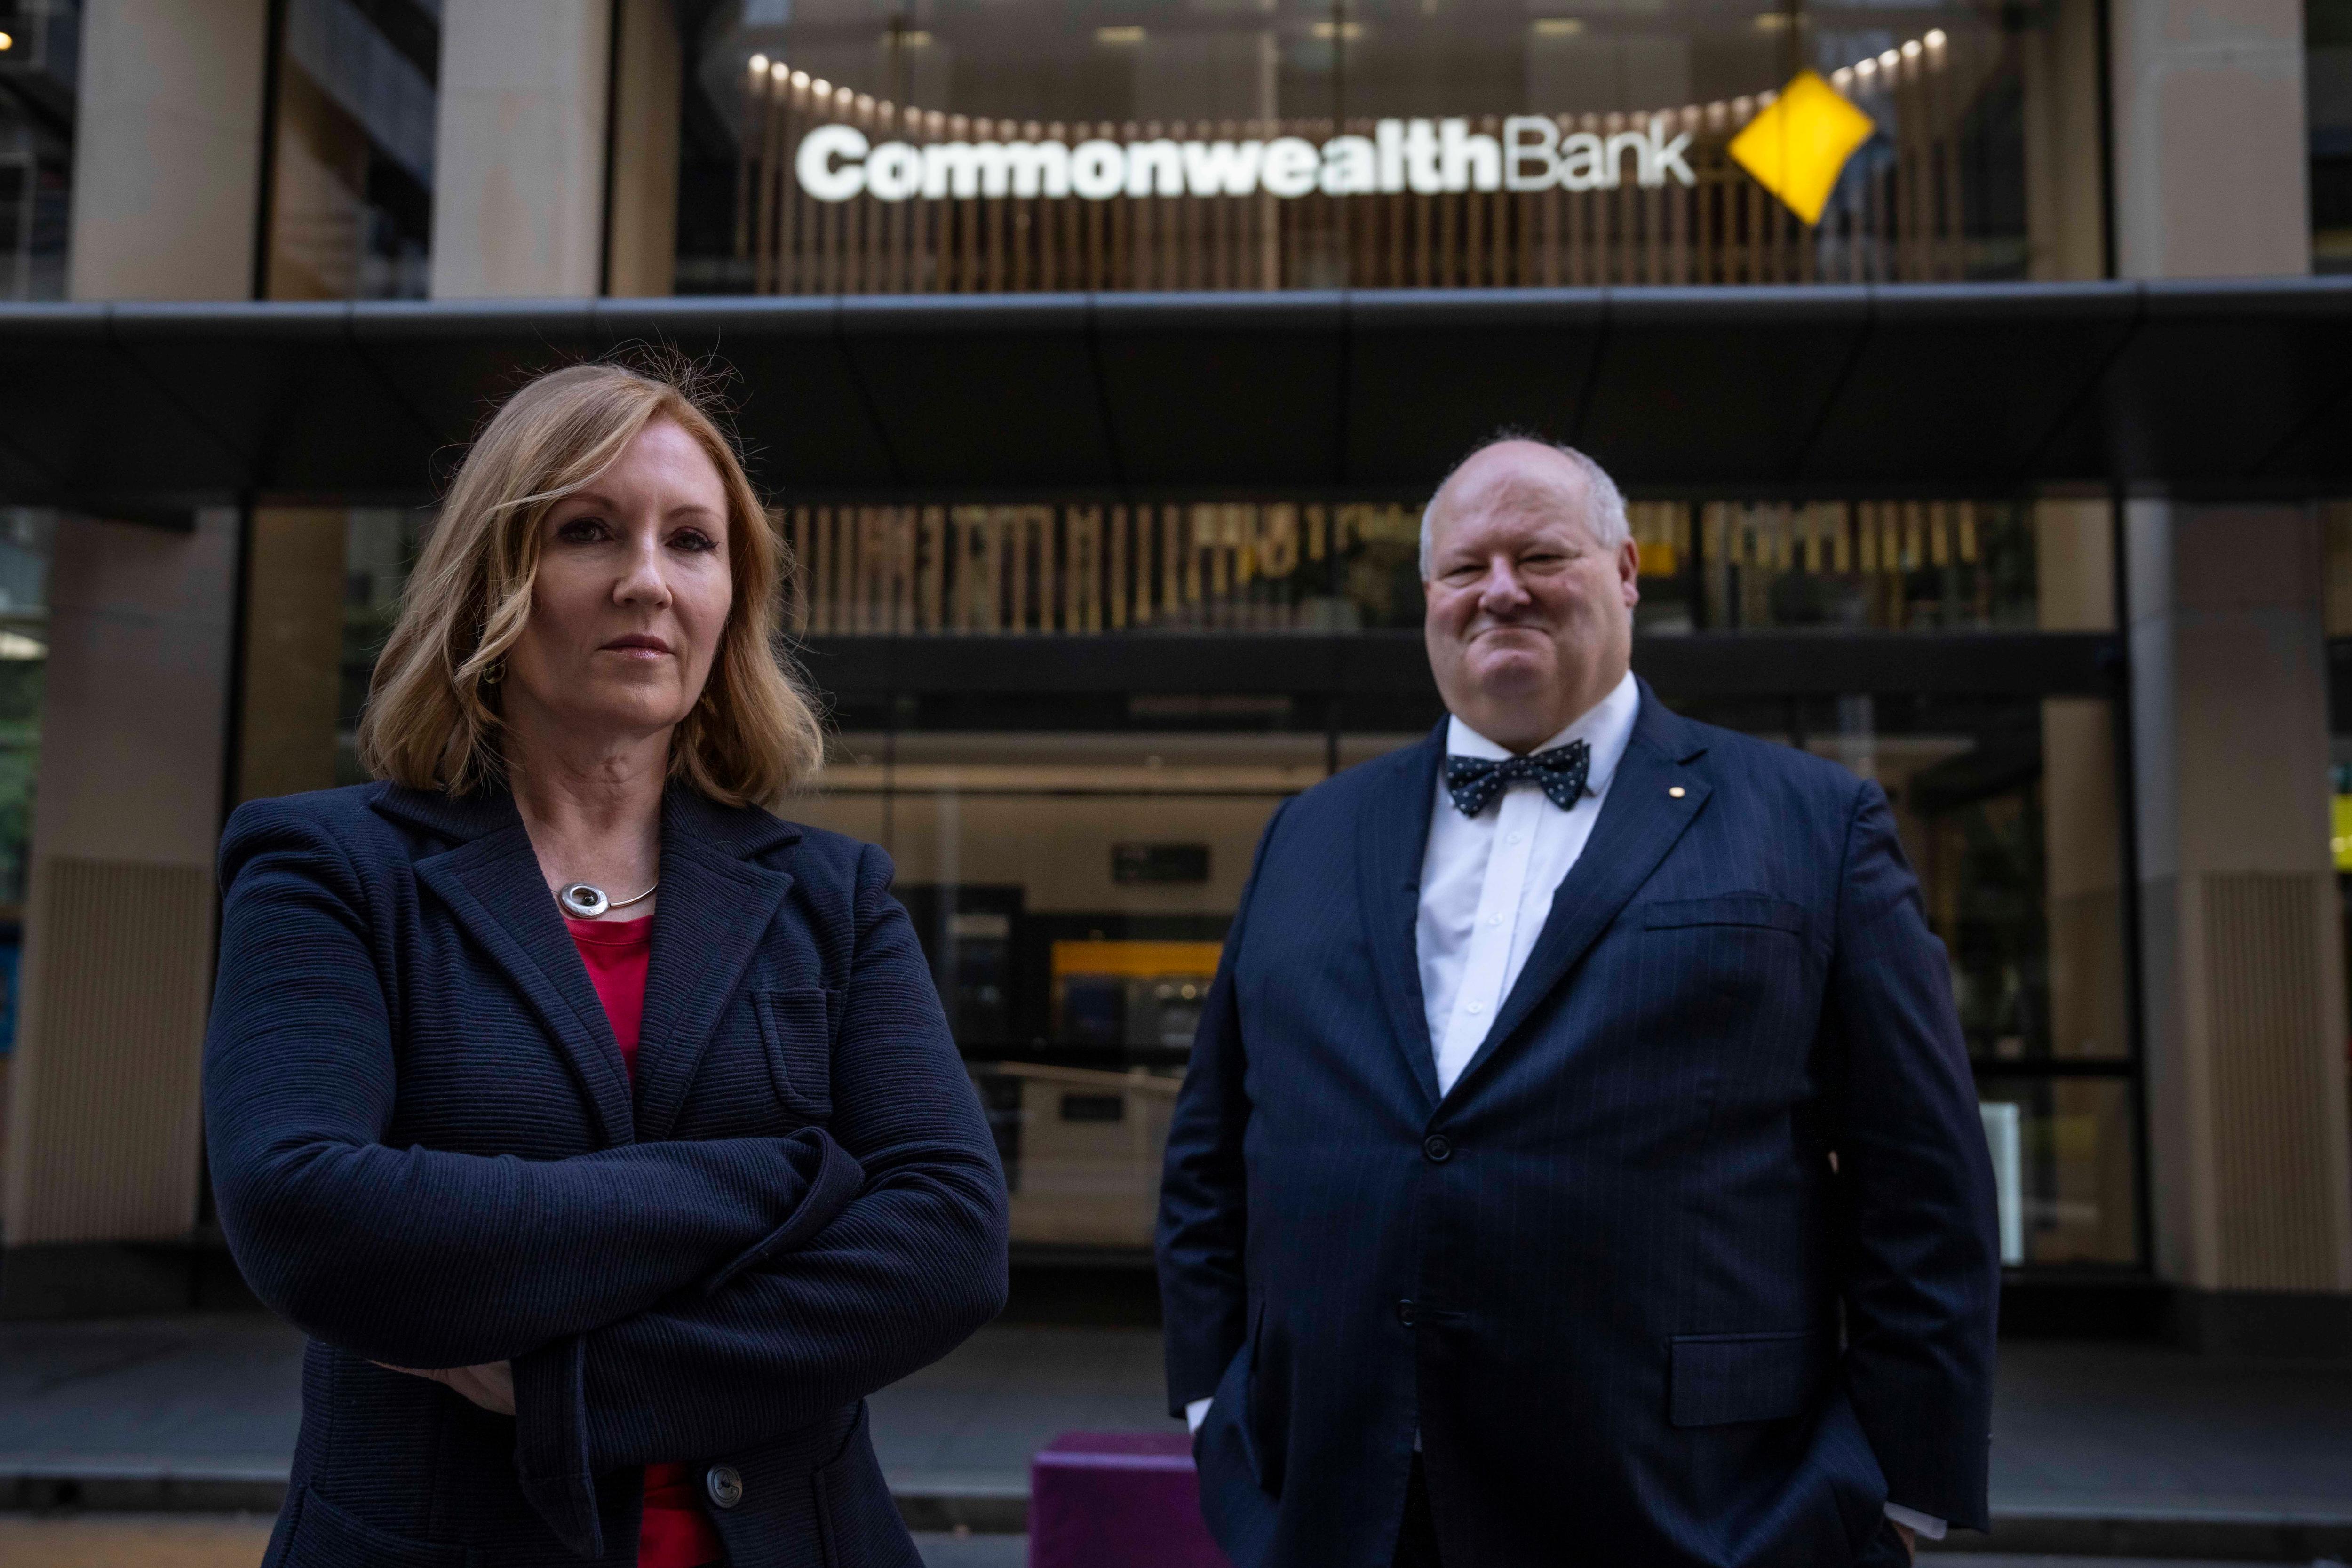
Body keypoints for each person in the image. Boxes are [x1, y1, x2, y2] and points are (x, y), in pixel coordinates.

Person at [204, 359, 1008, 1568]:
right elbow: (306, 1211)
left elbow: (948, 1240)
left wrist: (579, 1381)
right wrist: (781, 1178)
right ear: (496, 576)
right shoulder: (328, 867)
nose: (647, 578)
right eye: (588, 531)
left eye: (692, 541)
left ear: (732, 596)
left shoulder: (832, 896)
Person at [1157, 437, 1999, 1568]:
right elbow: (1210, 1148)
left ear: (1627, 572)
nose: (1499, 588)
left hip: (1693, 1505)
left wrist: (1901, 1488)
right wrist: (1213, 1405)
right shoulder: (1308, 833)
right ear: (1428, 599)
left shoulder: (1812, 821)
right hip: (1332, 1499)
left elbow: (1922, 1184)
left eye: (1540, 553)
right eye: (1465, 567)